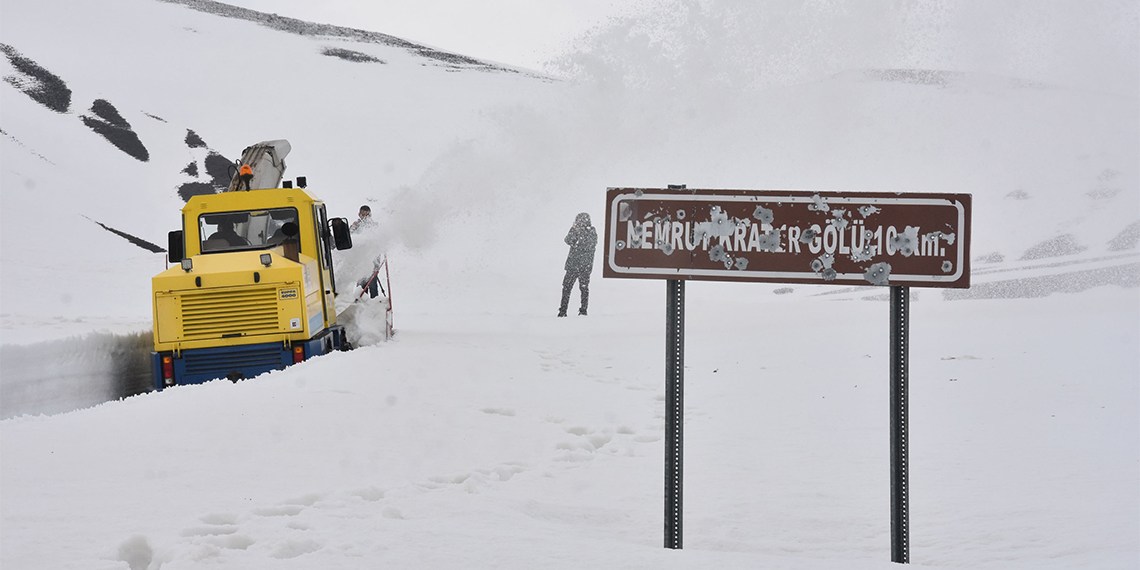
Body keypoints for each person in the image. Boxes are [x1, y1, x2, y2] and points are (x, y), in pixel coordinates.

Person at [559, 212, 597, 317]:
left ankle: (576, 310)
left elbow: (571, 241)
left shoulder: (590, 232)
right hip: (582, 266)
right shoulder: (591, 232)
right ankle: (566, 310)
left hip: (577, 265)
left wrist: (575, 231)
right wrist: (575, 231)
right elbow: (568, 240)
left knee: (573, 288)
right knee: (578, 288)